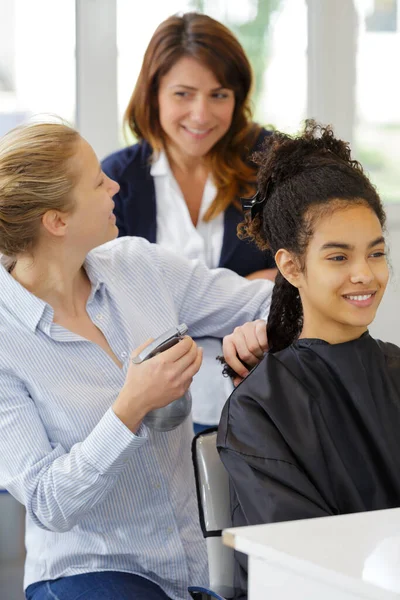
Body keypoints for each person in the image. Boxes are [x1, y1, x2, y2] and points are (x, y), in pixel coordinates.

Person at [0, 120, 273, 600]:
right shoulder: (6, 341)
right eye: (96, 182)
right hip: (81, 576)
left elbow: (262, 303)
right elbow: (48, 502)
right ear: (56, 221)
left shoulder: (139, 267)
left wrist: (256, 336)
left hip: (187, 574)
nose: (116, 185)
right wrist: (129, 408)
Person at [217, 121, 400, 599]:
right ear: (291, 266)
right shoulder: (259, 407)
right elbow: (304, 564)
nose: (366, 275)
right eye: (338, 258)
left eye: (376, 253)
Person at [102, 12, 277, 432]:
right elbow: (109, 305)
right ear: (154, 93)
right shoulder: (115, 180)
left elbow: (306, 267)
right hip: (158, 413)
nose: (201, 115)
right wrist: (245, 292)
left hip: (263, 394)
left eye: (219, 95)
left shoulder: (271, 160)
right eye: (183, 93)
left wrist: (170, 302)